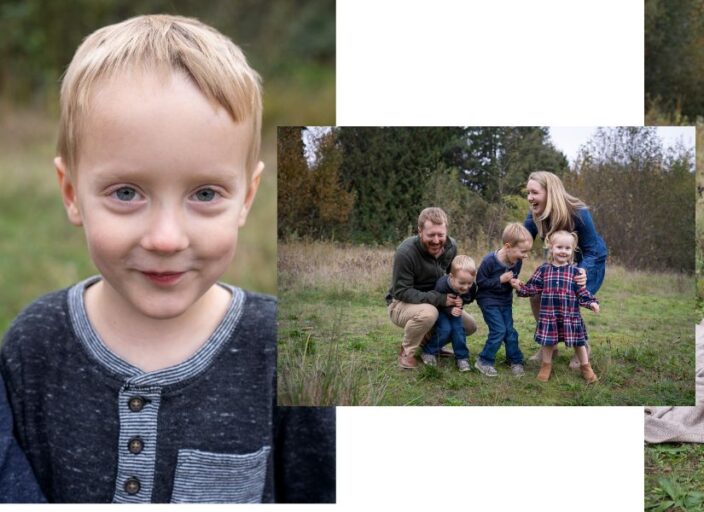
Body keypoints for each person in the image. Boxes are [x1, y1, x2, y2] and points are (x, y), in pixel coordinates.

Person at [0, 15, 334, 503]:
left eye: (204, 193)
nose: (166, 237)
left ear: (247, 197)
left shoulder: (281, 349)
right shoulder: (34, 344)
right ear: (72, 193)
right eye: (127, 192)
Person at [523, 171, 605, 367]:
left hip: (589, 263)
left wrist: (582, 270)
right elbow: (520, 243)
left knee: (569, 298)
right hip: (558, 265)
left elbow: (593, 250)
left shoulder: (579, 212)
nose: (529, 198)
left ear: (550, 192)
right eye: (528, 193)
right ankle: (548, 344)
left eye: (534, 193)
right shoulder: (535, 215)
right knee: (537, 295)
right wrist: (505, 265)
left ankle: (582, 347)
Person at [387, 207, 477, 369]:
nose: (436, 240)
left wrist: (462, 296)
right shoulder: (405, 252)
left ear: (446, 231)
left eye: (440, 235)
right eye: (431, 235)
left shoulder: (451, 247)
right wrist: (440, 299)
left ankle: (433, 345)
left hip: (437, 302)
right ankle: (407, 352)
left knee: (469, 326)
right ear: (420, 231)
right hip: (401, 304)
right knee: (429, 313)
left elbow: (454, 279)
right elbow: (401, 291)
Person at [516, 230, 600, 383]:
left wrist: (591, 302)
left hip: (570, 316)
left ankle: (586, 367)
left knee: (578, 343)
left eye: (567, 248)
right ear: (551, 247)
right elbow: (533, 287)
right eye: (559, 247)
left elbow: (582, 292)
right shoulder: (544, 270)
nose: (563, 251)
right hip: (550, 315)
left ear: (572, 250)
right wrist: (520, 287)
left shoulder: (575, 272)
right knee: (548, 343)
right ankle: (546, 365)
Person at [474, 223, 533, 377]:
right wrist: (499, 279)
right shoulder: (489, 261)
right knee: (499, 330)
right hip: (488, 301)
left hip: (505, 301)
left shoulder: (517, 261)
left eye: (527, 251)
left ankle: (514, 360)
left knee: (510, 332)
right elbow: (480, 283)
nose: (525, 255)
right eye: (522, 251)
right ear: (508, 246)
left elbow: (513, 277)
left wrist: (515, 283)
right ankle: (484, 360)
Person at [421, 255, 478, 372]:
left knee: (458, 330)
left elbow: (470, 297)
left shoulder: (471, 286)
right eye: (462, 283)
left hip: (456, 311)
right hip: (441, 310)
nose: (466, 287)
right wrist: (449, 309)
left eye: (469, 283)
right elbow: (436, 302)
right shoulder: (442, 284)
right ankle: (428, 351)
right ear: (452, 277)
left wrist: (463, 300)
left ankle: (462, 357)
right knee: (445, 329)